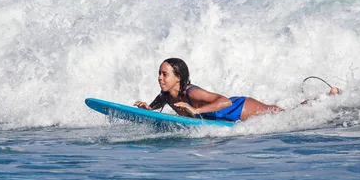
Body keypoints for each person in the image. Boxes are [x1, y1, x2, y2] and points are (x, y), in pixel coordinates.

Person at [134, 58, 341, 122]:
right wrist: (147, 108)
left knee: (287, 115)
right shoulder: (165, 96)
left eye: (164, 74)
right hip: (224, 116)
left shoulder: (191, 92)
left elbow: (225, 101)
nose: (160, 78)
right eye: (159, 73)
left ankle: (325, 98)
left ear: (177, 77)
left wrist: (195, 111)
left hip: (239, 108)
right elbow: (152, 110)